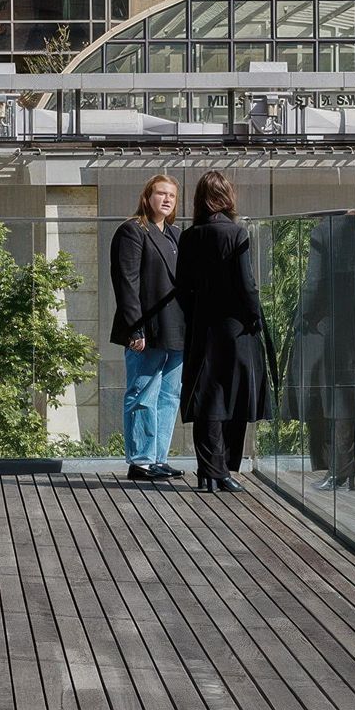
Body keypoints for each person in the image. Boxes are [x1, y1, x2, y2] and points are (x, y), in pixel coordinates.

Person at [176, 171, 271, 493]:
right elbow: (246, 284)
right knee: (235, 396)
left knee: (208, 397)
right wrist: (255, 317)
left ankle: (209, 470)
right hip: (235, 327)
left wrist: (195, 316)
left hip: (202, 326)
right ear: (227, 197)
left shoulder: (189, 236)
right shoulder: (236, 233)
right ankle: (225, 469)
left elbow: (183, 288)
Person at [287, 211, 355, 492]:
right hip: (352, 325)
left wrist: (302, 316)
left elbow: (315, 281)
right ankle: (346, 470)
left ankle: (334, 471)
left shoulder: (323, 231)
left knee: (327, 398)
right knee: (346, 396)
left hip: (324, 327)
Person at [109, 174, 186, 482]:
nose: (167, 199)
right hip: (146, 328)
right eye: (161, 193)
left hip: (176, 328)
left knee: (169, 395)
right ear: (147, 196)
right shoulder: (132, 230)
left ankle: (158, 458)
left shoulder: (176, 234)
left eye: (172, 195)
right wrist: (134, 328)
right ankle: (141, 461)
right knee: (142, 392)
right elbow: (126, 283)